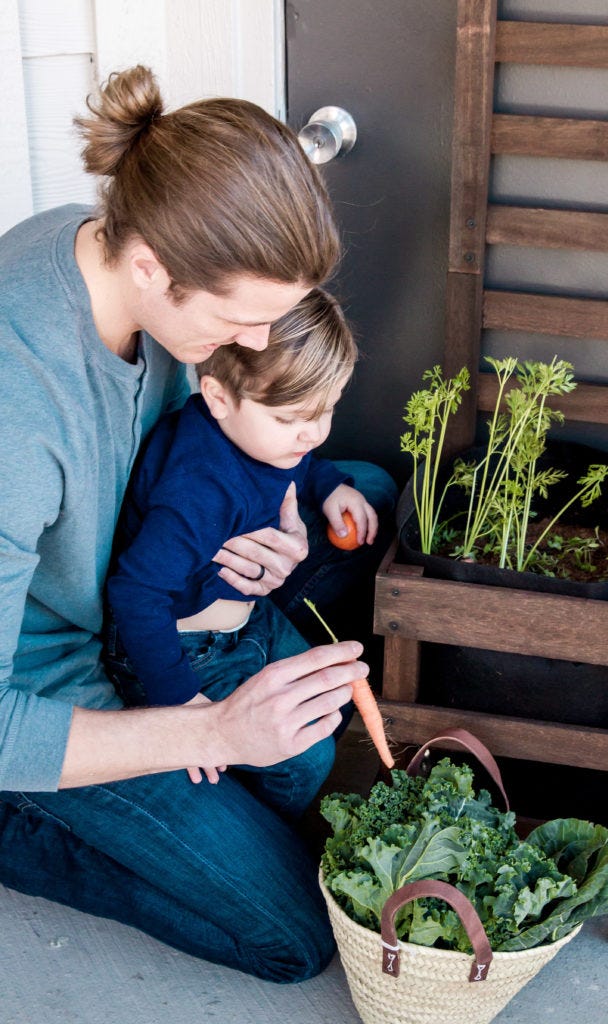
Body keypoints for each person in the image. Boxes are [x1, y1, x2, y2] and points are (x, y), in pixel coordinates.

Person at [0, 65, 396, 982]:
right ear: (152, 270)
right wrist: (207, 731)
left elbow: (236, 447)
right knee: (293, 936)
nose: (256, 346)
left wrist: (290, 535)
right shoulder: (20, 408)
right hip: (49, 669)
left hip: (141, 565)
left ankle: (209, 790)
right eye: (239, 321)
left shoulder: (137, 242)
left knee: (362, 490)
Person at [104, 287, 375, 800]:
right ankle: (266, 824)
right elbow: (136, 593)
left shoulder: (258, 433)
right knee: (304, 761)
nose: (313, 433)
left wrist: (331, 484)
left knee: (330, 705)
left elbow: (299, 461)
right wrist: (183, 709)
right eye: (293, 419)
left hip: (250, 618)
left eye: (328, 409)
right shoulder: (200, 492)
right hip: (190, 651)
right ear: (219, 397)